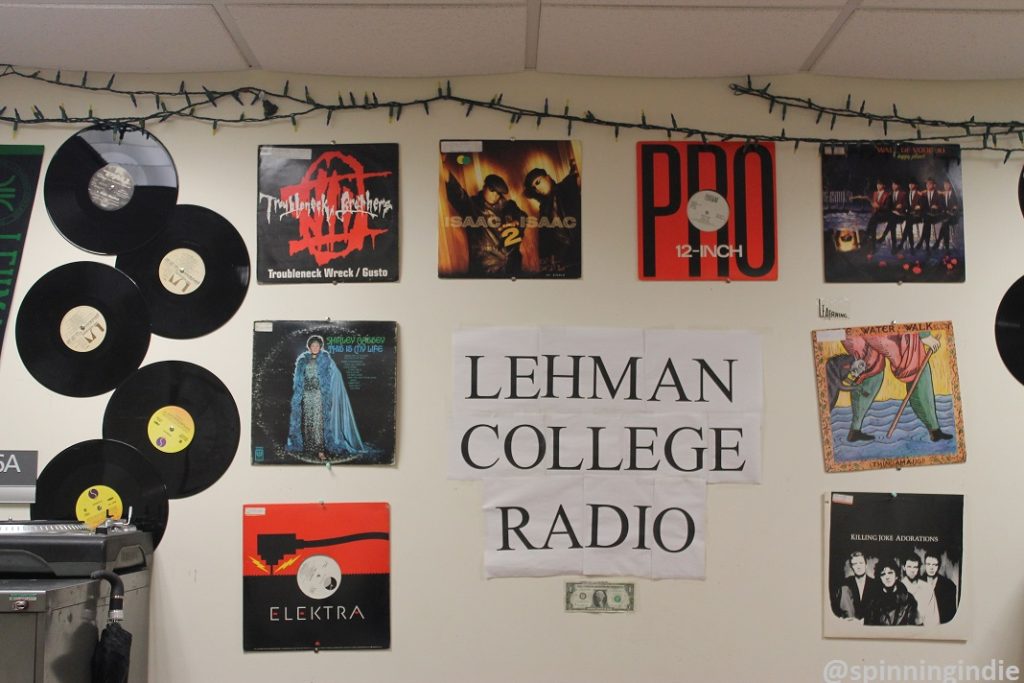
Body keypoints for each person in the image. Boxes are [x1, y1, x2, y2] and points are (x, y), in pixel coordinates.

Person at [839, 330, 953, 443]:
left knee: (870, 367)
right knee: (915, 363)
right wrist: (924, 335)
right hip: (885, 330)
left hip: (854, 330)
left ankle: (855, 430)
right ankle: (935, 430)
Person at [287, 335, 366, 461]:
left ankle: (320, 450)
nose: (315, 347)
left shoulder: (326, 359)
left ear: (321, 347)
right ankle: (309, 447)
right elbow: (298, 379)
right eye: (313, 345)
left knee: (318, 422)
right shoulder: (303, 360)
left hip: (319, 395)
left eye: (317, 346)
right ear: (308, 347)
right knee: (308, 421)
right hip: (306, 395)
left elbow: (336, 374)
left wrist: (330, 389)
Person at [444, 172, 527, 276]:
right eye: (492, 190)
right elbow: (459, 196)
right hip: (487, 267)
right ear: (484, 187)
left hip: (512, 265)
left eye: (498, 193)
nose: (495, 195)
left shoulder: (509, 205)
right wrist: (446, 174)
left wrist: (517, 222)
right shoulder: (473, 206)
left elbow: (524, 217)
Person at [522, 161, 581, 274]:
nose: (537, 188)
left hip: (579, 250)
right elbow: (545, 236)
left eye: (538, 182)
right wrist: (546, 260)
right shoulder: (544, 207)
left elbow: (576, 179)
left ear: (548, 177)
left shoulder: (565, 186)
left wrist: (575, 166)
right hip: (564, 260)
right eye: (534, 187)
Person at [863, 559, 920, 626]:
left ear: (896, 576)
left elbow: (910, 629)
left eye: (890, 573)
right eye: (883, 574)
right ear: (880, 578)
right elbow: (870, 629)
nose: (887, 577)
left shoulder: (908, 599)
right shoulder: (873, 601)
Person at [835, 551, 881, 620]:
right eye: (855, 564)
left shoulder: (876, 584)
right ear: (851, 567)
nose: (858, 566)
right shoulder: (845, 584)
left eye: (861, 563)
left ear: (866, 565)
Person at [923, 552, 958, 623]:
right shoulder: (917, 582)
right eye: (928, 564)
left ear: (939, 566)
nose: (931, 568)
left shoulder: (949, 585)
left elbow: (951, 613)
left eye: (935, 565)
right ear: (925, 565)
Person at [864, 180, 890, 254]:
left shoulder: (887, 195)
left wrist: (879, 207)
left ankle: (866, 236)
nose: (878, 186)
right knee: (873, 224)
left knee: (873, 221)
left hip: (884, 215)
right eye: (877, 184)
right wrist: (873, 205)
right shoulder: (875, 193)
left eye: (880, 184)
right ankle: (873, 247)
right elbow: (873, 204)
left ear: (883, 186)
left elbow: (887, 208)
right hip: (876, 215)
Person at [933, 180, 960, 253]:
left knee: (945, 224)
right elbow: (942, 207)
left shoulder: (954, 195)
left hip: (953, 216)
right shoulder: (942, 195)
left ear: (950, 185)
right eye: (945, 185)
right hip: (945, 216)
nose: (946, 186)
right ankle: (945, 246)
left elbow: (957, 206)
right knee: (945, 223)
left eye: (947, 185)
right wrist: (944, 210)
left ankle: (939, 243)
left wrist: (953, 210)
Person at [879, 180, 906, 250]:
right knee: (892, 221)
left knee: (892, 220)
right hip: (892, 215)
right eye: (892, 184)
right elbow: (889, 206)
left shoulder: (903, 194)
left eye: (895, 185)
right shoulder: (890, 194)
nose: (893, 186)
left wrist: (902, 206)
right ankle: (894, 245)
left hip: (901, 215)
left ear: (898, 186)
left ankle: (883, 237)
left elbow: (906, 205)